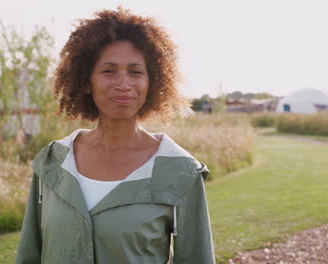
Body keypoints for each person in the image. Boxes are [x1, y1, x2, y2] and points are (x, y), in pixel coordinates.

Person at [16, 8, 215, 264]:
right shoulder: (52, 162)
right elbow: (29, 255)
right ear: (86, 81)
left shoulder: (181, 172)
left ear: (151, 82)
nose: (124, 83)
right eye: (109, 71)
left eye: (135, 72)